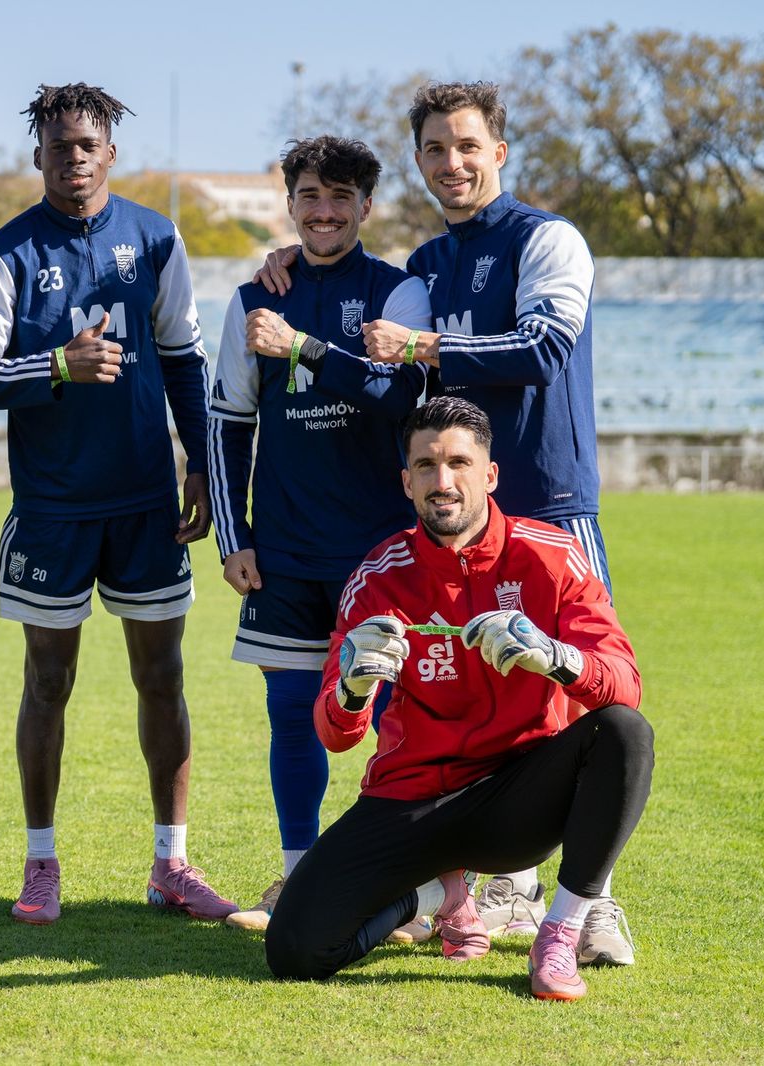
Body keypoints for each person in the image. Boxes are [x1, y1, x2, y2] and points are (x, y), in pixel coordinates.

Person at [253, 80, 631, 965]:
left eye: (466, 145)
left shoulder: (547, 239)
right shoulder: (425, 265)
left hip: (549, 502)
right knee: (466, 688)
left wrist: (425, 345)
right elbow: (388, 381)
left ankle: (594, 902)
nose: (451, 162)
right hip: (458, 511)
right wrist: (300, 270)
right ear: (418, 160)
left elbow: (544, 348)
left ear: (499, 150)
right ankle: (483, 886)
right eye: (433, 148)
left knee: (586, 693)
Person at [0, 83, 234, 925]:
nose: (73, 157)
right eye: (59, 145)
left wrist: (200, 464)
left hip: (146, 502)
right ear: (37, 154)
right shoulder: (4, 254)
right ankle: (40, 863)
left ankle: (172, 863)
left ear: (111, 153)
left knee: (162, 675)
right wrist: (54, 367)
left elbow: (184, 359)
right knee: (48, 680)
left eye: (87, 144)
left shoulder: (155, 236)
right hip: (54, 510)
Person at [263, 396, 652, 1002]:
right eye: (426, 465)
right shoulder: (378, 577)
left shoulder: (551, 556)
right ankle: (431, 894)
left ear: (489, 474)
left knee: (624, 732)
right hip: (412, 798)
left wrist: (555, 656)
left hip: (517, 801)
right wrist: (352, 687)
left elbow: (625, 683)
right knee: (294, 952)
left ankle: (560, 930)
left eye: (458, 463)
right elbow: (335, 735)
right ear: (407, 481)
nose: (442, 481)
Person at [206, 136, 430, 932]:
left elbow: (400, 397)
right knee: (293, 717)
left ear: (367, 205)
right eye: (309, 195)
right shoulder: (251, 297)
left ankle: (405, 886)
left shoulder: (398, 292)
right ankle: (299, 882)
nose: (324, 212)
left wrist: (302, 346)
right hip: (288, 552)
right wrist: (234, 537)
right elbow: (228, 421)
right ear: (290, 203)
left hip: (381, 554)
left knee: (398, 722)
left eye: (340, 197)